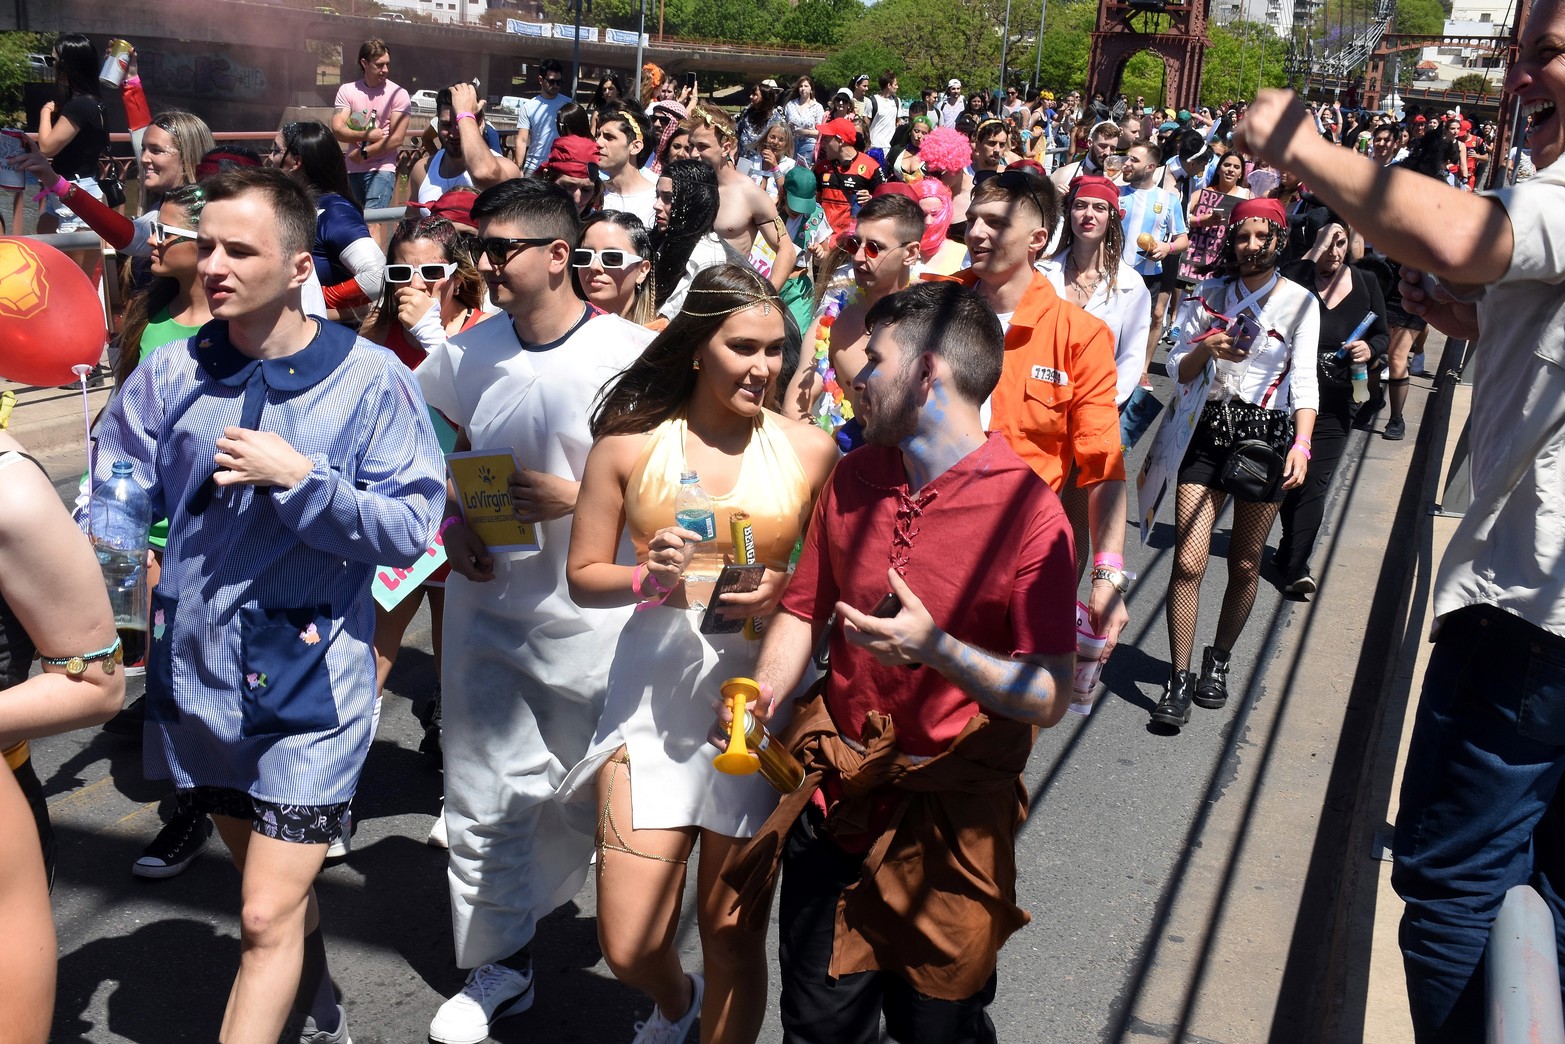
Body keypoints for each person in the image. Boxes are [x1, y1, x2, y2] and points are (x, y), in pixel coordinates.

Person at [1235, 11, 1565, 1027]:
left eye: (1543, 52)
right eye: (1516, 52)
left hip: (1525, 617)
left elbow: (1463, 233)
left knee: (1450, 890)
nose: (1518, 76)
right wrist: (1479, 318)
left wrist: (1296, 143)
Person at [85, 165, 445, 1044]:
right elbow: (115, 490)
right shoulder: (168, 375)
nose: (212, 263)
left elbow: (408, 529)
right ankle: (320, 1011)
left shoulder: (368, 381)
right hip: (196, 680)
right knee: (272, 903)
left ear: (295, 267)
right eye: (205, 244)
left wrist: (303, 481)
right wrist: (112, 563)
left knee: (258, 917)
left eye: (239, 249)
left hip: (307, 687)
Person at [716, 279, 1078, 1044]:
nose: (854, 373)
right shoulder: (855, 475)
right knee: (817, 1027)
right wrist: (766, 693)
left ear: (926, 373)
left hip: (949, 826)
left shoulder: (1030, 513)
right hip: (835, 799)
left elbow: (1047, 691)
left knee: (937, 1029)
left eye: (872, 359)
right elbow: (804, 608)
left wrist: (936, 651)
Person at [560, 262, 836, 1044]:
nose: (763, 368)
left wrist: (782, 586)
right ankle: (676, 1006)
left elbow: (830, 587)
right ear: (693, 347)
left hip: (755, 709)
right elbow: (583, 577)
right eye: (742, 347)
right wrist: (646, 575)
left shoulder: (811, 452)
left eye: (775, 350)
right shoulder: (626, 447)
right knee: (628, 943)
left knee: (731, 935)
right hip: (649, 705)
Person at [415, 179, 656, 1044]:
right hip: (488, 611)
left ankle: (646, 960)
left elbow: (685, 494)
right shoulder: (464, 353)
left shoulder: (637, 357)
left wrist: (587, 497)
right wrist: (451, 522)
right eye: (477, 249)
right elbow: (436, 447)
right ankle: (499, 963)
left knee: (588, 799)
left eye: (499, 249)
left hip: (598, 624)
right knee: (483, 794)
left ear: (558, 256)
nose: (483, 265)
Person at [1151, 196, 1318, 729]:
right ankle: (1177, 678)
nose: (1250, 246)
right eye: (1241, 236)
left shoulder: (1299, 302)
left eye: (1260, 236)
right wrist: (1208, 348)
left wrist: (1302, 443)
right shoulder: (1209, 292)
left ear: (1279, 239)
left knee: (1245, 562)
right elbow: (1177, 366)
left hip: (1265, 436)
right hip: (1206, 427)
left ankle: (1218, 659)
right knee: (1187, 561)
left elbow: (1305, 380)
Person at [953, 168, 1131, 661]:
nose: (975, 233)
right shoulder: (937, 306)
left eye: (994, 222)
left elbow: (1102, 461)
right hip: (926, 538)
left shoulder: (1080, 335)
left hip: (1016, 558)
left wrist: (1108, 572)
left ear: (1036, 240)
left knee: (1003, 716)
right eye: (972, 220)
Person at [1277, 222, 1387, 594]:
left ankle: (1296, 566)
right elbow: (1286, 275)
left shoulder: (1367, 281)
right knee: (1288, 477)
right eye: (1328, 244)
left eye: (1341, 244)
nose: (1335, 252)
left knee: (1316, 481)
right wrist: (1316, 248)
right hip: (1288, 397)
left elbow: (1382, 334)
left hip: (1342, 396)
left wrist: (1370, 349)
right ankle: (1288, 548)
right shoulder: (1297, 279)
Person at [783, 193, 924, 431]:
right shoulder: (830, 325)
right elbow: (794, 409)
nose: (858, 257)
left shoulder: (935, 318)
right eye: (854, 244)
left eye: (873, 248)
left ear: (910, 253)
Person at [1039, 175, 1153, 448]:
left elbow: (1131, 357)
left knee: (1077, 491)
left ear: (1112, 218)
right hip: (1039, 404)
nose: (1088, 214)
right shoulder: (1041, 273)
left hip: (1093, 412)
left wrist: (1103, 408)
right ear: (1069, 213)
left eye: (1099, 208)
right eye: (1080, 206)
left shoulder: (1130, 285)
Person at [268, 121, 385, 313]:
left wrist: (316, 300)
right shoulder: (295, 206)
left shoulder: (335, 212)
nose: (270, 158)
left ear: (296, 162)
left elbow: (377, 276)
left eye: (276, 150)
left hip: (329, 338)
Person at [682, 103, 797, 291]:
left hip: (726, 297)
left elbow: (787, 251)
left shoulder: (750, 194)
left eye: (702, 147)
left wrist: (767, 296)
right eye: (691, 146)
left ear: (726, 147)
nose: (694, 154)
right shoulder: (686, 187)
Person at [1119, 142, 1190, 381]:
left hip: (1149, 275)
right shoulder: (1115, 193)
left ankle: (1143, 370)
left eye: (1133, 160)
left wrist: (1166, 247)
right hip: (1115, 272)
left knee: (1147, 321)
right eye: (1126, 158)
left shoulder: (1168, 200)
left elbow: (1182, 239)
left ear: (1150, 167)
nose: (1126, 164)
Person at [34, 33, 109, 238]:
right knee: (46, 259)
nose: (51, 66)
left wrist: (45, 112)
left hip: (74, 194)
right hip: (66, 191)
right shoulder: (91, 102)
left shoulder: (81, 105)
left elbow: (47, 147)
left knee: (72, 269)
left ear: (68, 65)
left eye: (53, 61)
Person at [330, 38, 410, 214]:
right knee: (355, 221)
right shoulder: (347, 90)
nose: (385, 70)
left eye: (387, 64)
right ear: (364, 63)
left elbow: (396, 138)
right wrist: (367, 135)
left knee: (374, 222)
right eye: (380, 65)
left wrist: (365, 153)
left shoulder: (399, 94)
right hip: (352, 168)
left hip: (382, 169)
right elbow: (338, 129)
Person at [410, 83, 521, 206]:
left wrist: (464, 114)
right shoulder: (422, 170)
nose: (453, 134)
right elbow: (412, 219)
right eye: (446, 125)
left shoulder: (508, 169)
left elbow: (484, 174)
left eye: (460, 124)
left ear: (480, 124)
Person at [651, 158, 730, 320]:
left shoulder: (706, 258)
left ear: (694, 202)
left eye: (669, 198)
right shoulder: (663, 240)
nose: (657, 205)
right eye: (658, 196)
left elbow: (667, 320)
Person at [1179, 149, 1251, 285]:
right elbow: (1180, 219)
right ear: (1218, 169)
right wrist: (1201, 221)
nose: (1231, 170)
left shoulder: (1247, 197)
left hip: (1226, 262)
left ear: (1241, 173)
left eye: (1236, 167)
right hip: (1194, 261)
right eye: (1227, 165)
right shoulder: (1203, 193)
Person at [573, 210, 657, 326]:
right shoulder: (556, 333)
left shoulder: (662, 338)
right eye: (585, 256)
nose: (594, 266)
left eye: (612, 257)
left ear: (642, 270)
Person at [814, 117, 885, 238]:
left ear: (840, 140)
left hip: (853, 237)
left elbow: (886, 204)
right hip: (823, 237)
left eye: (826, 139)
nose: (823, 144)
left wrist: (871, 199)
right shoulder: (820, 167)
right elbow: (814, 201)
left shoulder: (871, 167)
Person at [598, 105, 657, 227]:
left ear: (635, 147)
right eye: (598, 135)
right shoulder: (592, 195)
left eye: (609, 137)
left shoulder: (656, 201)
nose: (598, 143)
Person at [517, 59, 571, 175]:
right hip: (533, 167)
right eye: (552, 82)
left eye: (559, 82)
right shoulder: (529, 107)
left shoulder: (569, 105)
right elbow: (522, 140)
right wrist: (519, 168)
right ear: (541, 80)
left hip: (560, 167)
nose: (556, 85)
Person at [538, 135, 605, 218]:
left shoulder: (596, 226)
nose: (577, 199)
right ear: (547, 177)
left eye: (586, 190)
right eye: (568, 186)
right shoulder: (525, 218)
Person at [736, 80, 784, 170]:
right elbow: (737, 132)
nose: (751, 96)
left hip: (761, 166)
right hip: (742, 161)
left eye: (755, 95)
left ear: (765, 98)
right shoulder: (748, 113)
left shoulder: (776, 120)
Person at [783, 76, 824, 166]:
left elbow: (820, 132)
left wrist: (805, 132)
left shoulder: (817, 107)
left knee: (803, 170)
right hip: (791, 144)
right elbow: (784, 124)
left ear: (811, 89)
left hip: (808, 144)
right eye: (801, 86)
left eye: (806, 86)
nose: (803, 88)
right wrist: (788, 127)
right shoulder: (791, 105)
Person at [866, 71, 901, 157]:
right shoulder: (872, 101)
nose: (897, 87)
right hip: (875, 146)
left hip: (890, 147)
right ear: (889, 86)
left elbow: (898, 122)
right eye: (895, 84)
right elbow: (865, 126)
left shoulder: (897, 101)